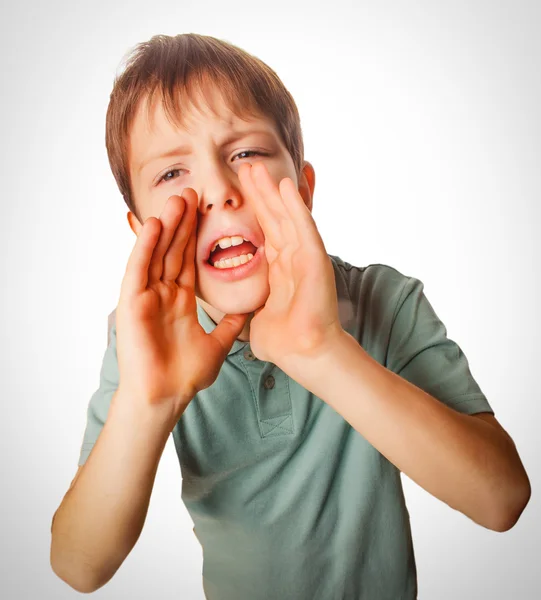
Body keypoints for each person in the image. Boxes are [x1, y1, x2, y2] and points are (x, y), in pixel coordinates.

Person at [50, 33, 531, 599]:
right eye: (172, 174)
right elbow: (79, 565)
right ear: (141, 233)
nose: (218, 192)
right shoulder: (141, 338)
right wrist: (149, 400)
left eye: (245, 154)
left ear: (302, 187)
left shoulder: (384, 299)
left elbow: (501, 500)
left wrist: (320, 351)